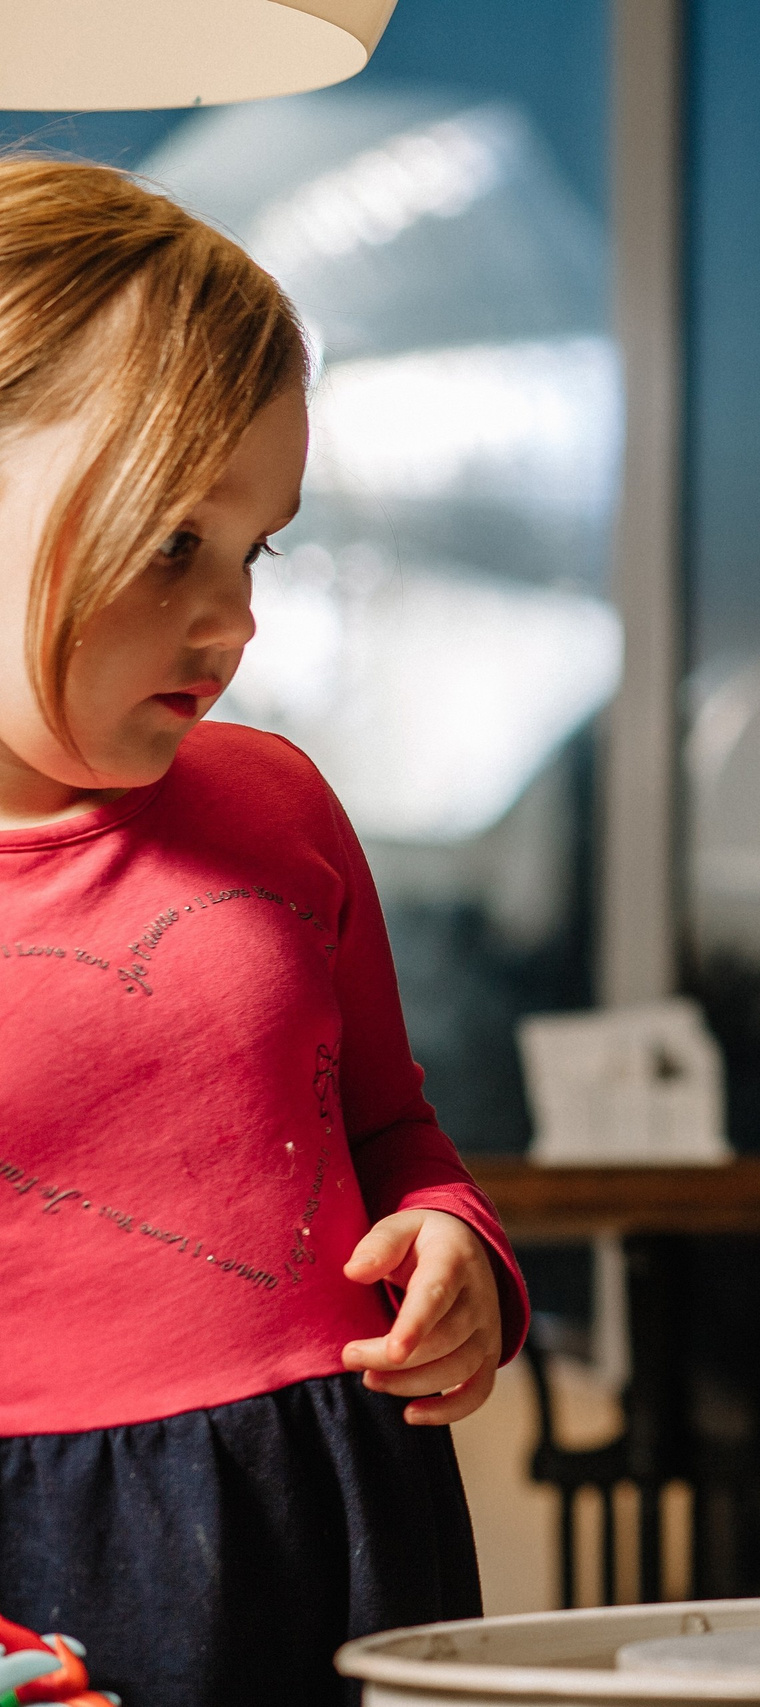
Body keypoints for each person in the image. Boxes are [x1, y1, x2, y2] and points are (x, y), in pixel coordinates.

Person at [0, 158, 527, 1705]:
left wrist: (462, 1250)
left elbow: (389, 1123)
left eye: (261, 547)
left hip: (346, 1508)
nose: (234, 619)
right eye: (176, 541)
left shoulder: (280, 799)